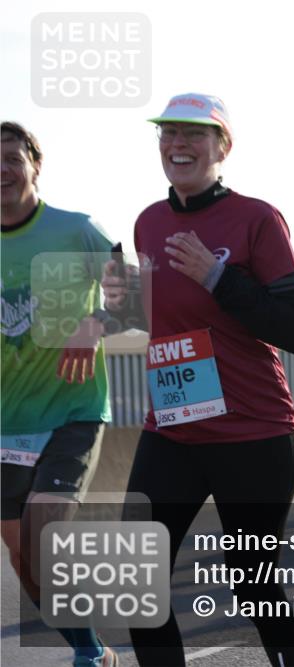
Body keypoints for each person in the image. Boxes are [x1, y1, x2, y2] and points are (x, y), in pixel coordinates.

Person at [101, 94, 294, 666]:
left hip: (253, 432)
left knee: (255, 584)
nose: (178, 144)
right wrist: (119, 307)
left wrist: (220, 276)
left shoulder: (257, 218)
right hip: (173, 428)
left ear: (223, 147)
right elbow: (166, 317)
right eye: (168, 134)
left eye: (194, 134)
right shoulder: (148, 221)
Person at [1, 122, 118, 666]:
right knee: (22, 555)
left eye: (11, 157)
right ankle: (91, 647)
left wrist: (95, 321)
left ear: (35, 165)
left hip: (74, 410)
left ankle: (89, 660)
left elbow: (136, 290)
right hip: (6, 421)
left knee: (45, 529)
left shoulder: (77, 229)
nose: (2, 170)